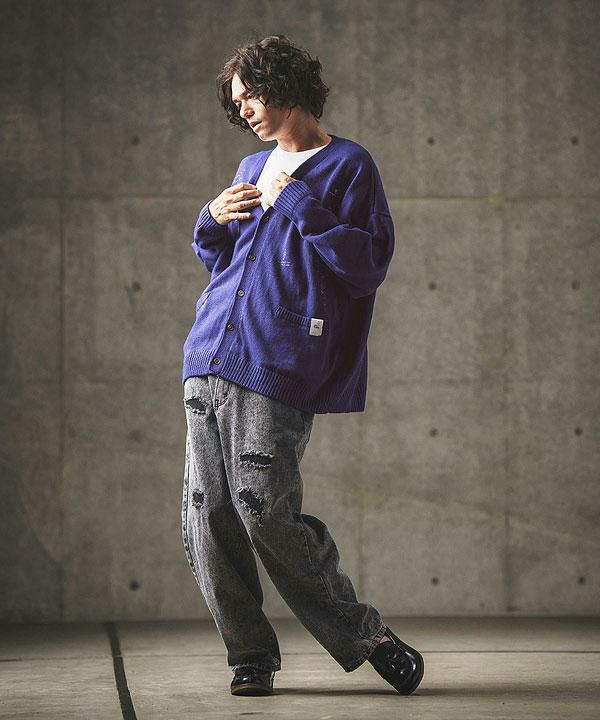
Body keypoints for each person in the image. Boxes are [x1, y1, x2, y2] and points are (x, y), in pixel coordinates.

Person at [181, 34, 424, 697]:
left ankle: (366, 634)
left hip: (277, 359)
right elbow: (232, 263)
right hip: (208, 353)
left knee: (264, 510)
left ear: (283, 86)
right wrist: (210, 220)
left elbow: (365, 265)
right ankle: (249, 656)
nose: (242, 112)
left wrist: (298, 203)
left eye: (249, 97)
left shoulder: (349, 165)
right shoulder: (250, 164)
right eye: (236, 104)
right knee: (208, 515)